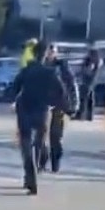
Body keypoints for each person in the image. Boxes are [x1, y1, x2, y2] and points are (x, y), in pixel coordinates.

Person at [12, 40, 67, 195]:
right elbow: (61, 91)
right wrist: (54, 103)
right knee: (38, 144)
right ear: (44, 55)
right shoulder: (51, 73)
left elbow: (15, 87)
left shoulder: (27, 69)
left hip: (25, 109)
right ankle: (32, 174)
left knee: (26, 145)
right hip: (42, 111)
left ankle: (29, 176)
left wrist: (14, 100)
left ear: (35, 53)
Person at [39, 44, 79, 173]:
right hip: (43, 104)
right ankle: (42, 162)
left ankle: (55, 163)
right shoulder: (40, 65)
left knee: (56, 137)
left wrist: (74, 105)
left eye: (52, 52)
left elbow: (72, 85)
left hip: (59, 105)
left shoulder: (62, 66)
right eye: (48, 51)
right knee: (41, 136)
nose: (50, 54)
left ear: (55, 53)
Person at [78, 48, 101, 121]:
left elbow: (90, 72)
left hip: (89, 81)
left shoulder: (94, 62)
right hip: (87, 81)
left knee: (85, 98)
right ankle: (87, 115)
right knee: (88, 97)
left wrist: (86, 70)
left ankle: (83, 114)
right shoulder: (89, 61)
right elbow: (83, 70)